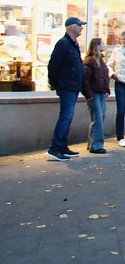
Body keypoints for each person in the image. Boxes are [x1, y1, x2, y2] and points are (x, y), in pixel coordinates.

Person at [46, 17, 87, 161]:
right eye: (79, 25)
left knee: (68, 117)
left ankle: (62, 146)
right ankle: (55, 148)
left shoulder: (73, 44)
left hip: (72, 86)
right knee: (65, 116)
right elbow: (53, 65)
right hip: (67, 87)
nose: (82, 28)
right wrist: (55, 83)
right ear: (70, 27)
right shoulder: (63, 44)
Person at [82, 37, 110, 154]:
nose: (105, 45)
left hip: (101, 93)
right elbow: (85, 80)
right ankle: (96, 145)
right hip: (94, 93)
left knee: (99, 118)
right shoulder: (90, 61)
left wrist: (107, 89)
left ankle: (93, 143)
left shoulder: (101, 61)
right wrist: (88, 94)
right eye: (102, 43)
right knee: (97, 118)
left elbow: (104, 76)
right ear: (97, 46)